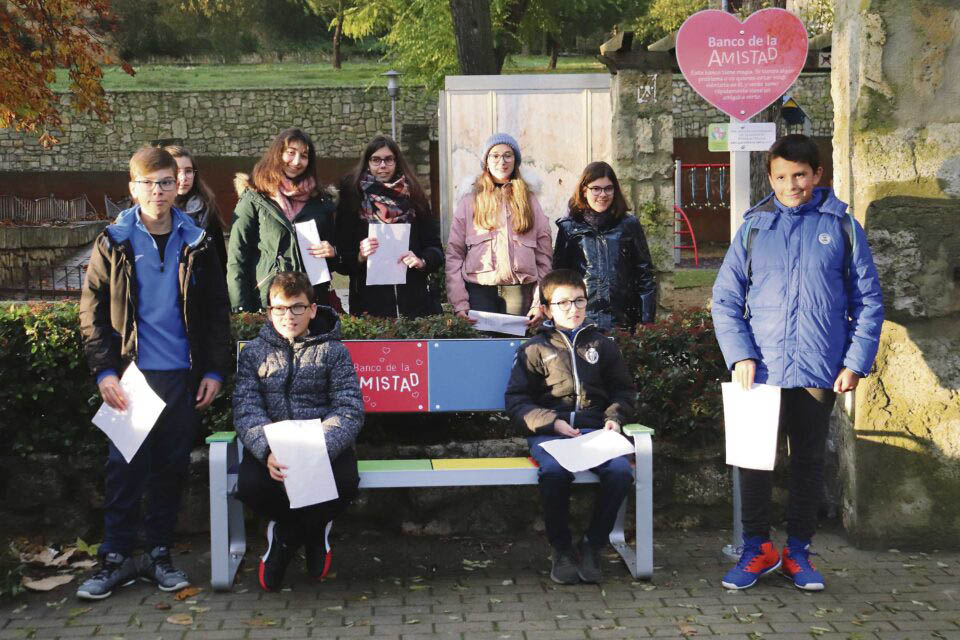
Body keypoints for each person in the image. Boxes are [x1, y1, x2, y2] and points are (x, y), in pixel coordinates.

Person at [712, 134, 884, 591]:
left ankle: (798, 552)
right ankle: (756, 549)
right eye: (782, 176)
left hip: (819, 369)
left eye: (801, 175)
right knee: (754, 462)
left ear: (818, 175)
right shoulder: (754, 227)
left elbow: (868, 301)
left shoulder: (843, 226)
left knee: (807, 462)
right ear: (770, 178)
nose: (792, 185)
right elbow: (725, 299)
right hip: (760, 371)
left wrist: (854, 361)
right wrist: (740, 353)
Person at [76, 146, 231, 600]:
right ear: (133, 188)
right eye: (149, 184)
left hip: (182, 377)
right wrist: (104, 369)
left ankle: (159, 555)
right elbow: (92, 311)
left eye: (166, 182)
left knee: (170, 470)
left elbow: (216, 311)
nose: (159, 191)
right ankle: (115, 559)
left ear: (177, 185)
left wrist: (215, 372)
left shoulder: (197, 239)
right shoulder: (114, 240)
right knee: (124, 471)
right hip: (131, 380)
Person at [233, 271, 364, 592]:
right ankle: (312, 531)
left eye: (296, 307)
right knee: (251, 486)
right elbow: (246, 409)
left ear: (312, 309)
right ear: (268, 311)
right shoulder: (254, 353)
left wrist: (319, 448)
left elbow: (348, 408)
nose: (288, 316)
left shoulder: (334, 352)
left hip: (322, 444)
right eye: (279, 308)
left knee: (346, 483)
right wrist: (266, 450)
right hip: (274, 447)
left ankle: (287, 538)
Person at [504, 269, 636, 585]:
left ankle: (592, 545)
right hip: (552, 433)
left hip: (596, 433)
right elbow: (516, 400)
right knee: (553, 473)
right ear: (547, 309)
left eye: (579, 300)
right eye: (563, 303)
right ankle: (561, 549)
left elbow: (624, 391)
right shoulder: (534, 348)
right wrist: (552, 422)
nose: (573, 308)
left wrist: (613, 418)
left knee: (620, 472)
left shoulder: (603, 345)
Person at [445, 133, 552, 326]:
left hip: (519, 291)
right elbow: (454, 256)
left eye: (508, 155)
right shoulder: (470, 202)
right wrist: (459, 303)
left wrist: (539, 302)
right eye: (495, 155)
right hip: (479, 291)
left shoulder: (530, 202)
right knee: (483, 349)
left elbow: (544, 257)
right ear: (486, 161)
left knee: (516, 350)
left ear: (515, 160)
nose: (501, 161)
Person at [227, 127, 338, 312]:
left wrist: (332, 252)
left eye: (304, 156)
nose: (297, 161)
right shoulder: (254, 197)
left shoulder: (321, 201)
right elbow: (237, 258)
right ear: (277, 154)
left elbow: (334, 263)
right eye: (291, 153)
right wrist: (241, 309)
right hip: (267, 301)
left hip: (310, 302)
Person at [335, 135, 443, 318]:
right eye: (376, 160)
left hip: (414, 304)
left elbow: (436, 249)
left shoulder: (415, 197)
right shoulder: (352, 199)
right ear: (367, 163)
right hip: (368, 304)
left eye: (388, 159)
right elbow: (342, 260)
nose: (382, 165)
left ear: (397, 162)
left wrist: (422, 260)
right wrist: (360, 256)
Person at [553, 161, 657, 331]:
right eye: (596, 188)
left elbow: (645, 274)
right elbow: (559, 277)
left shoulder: (628, 225)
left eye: (608, 188)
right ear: (584, 190)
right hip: (582, 317)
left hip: (622, 318)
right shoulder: (569, 228)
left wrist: (646, 319)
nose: (603, 194)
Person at [163, 144, 228, 274]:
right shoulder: (154, 213)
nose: (183, 177)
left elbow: (220, 258)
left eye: (188, 171)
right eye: (177, 171)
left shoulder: (208, 208)